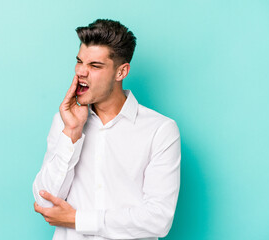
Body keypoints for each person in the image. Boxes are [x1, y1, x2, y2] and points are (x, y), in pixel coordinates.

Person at [33, 19, 181, 240]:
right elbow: (45, 202)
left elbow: (158, 219)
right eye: (79, 62)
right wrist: (72, 132)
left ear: (121, 72)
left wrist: (78, 219)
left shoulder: (160, 130)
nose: (81, 72)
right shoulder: (64, 122)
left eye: (95, 66)